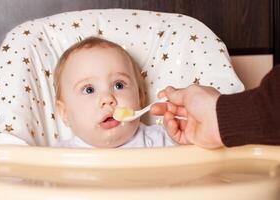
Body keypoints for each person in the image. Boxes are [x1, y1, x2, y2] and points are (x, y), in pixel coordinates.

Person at [53, 37, 175, 148]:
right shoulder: (57, 157)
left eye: (119, 85)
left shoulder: (161, 141)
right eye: (89, 90)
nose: (107, 98)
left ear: (140, 98)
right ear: (65, 113)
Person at [151, 65, 280, 149]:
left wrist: (217, 118)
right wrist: (217, 119)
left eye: (128, 84)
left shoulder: (159, 137)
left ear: (140, 95)